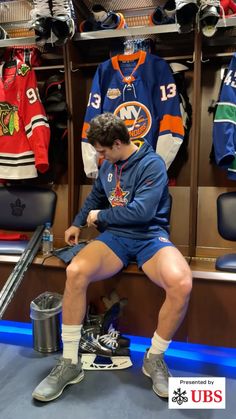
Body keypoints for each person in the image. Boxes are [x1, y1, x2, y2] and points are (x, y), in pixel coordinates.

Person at [32, 112, 192, 402]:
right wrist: (77, 223)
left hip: (148, 236)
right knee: (76, 271)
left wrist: (100, 216)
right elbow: (95, 197)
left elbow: (142, 213)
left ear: (118, 143)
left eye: (103, 150)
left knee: (181, 283)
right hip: (115, 238)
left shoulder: (152, 164)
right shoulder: (109, 164)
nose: (99, 156)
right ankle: (70, 362)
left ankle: (154, 358)